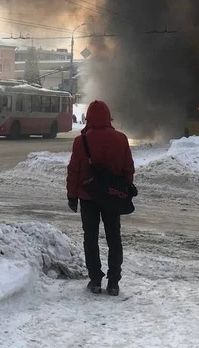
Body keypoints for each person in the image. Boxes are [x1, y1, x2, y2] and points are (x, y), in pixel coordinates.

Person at [66, 99, 134, 297]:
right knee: (114, 238)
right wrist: (122, 188)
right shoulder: (121, 139)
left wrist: (72, 196)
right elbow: (128, 169)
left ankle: (95, 279)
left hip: (88, 197)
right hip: (113, 198)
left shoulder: (82, 140)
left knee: (91, 238)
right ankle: (113, 282)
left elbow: (74, 171)